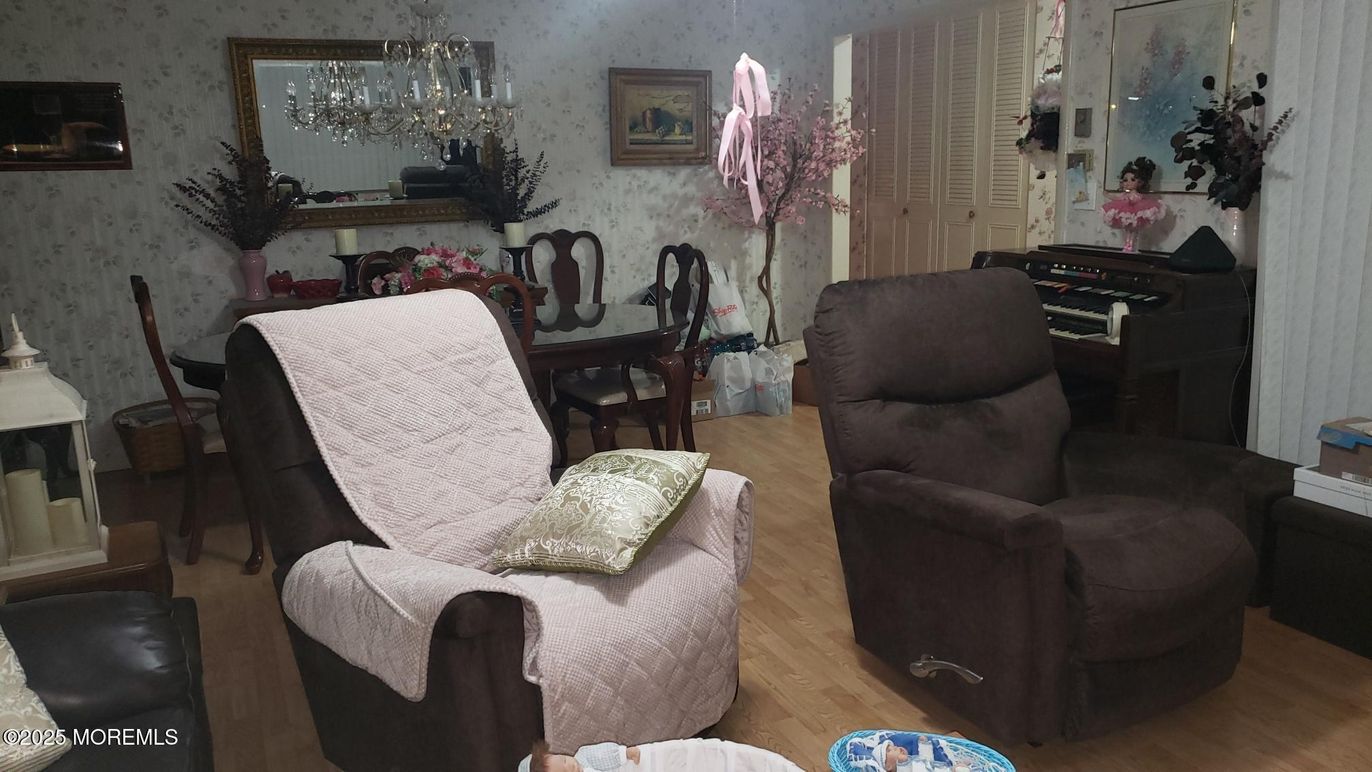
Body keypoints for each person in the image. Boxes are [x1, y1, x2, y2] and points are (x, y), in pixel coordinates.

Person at [1100, 156, 1166, 251]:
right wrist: (1108, 195)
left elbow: (1137, 199)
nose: (1128, 183)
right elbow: (1118, 199)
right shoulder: (1125, 194)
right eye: (1125, 180)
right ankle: (1127, 245)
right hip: (1126, 212)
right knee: (1127, 230)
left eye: (1133, 180)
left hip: (1135, 211)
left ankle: (1132, 246)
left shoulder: (1136, 194)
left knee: (1134, 231)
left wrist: (1130, 201)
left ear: (1140, 182)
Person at [520, 739, 643, 772]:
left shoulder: (584, 757)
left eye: (564, 760)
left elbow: (604, 755)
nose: (570, 767)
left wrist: (625, 753)